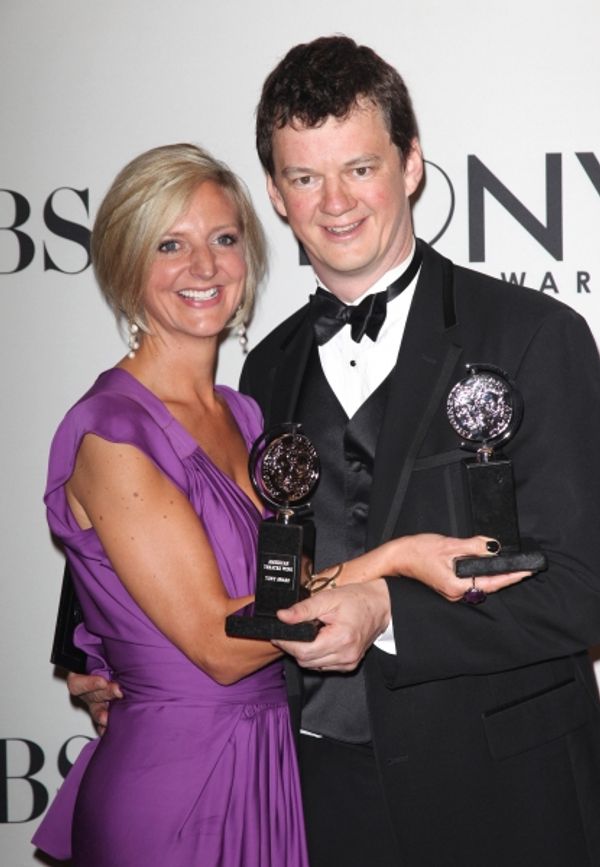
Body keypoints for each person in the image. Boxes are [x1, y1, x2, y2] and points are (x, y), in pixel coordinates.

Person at [66, 36, 600, 866]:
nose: (336, 201)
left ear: (412, 164)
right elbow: (166, 505)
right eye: (305, 177)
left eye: (360, 167)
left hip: (497, 794)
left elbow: (584, 587)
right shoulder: (264, 369)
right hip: (307, 797)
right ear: (277, 196)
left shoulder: (535, 336)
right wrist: (86, 645)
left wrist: (390, 612)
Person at [34, 141, 513, 867]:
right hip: (175, 785)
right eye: (171, 244)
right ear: (127, 266)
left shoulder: (250, 412)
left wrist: (83, 641)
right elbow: (219, 644)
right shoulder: (112, 430)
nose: (204, 267)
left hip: (278, 764)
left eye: (224, 239)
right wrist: (393, 562)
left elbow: (147, 557)